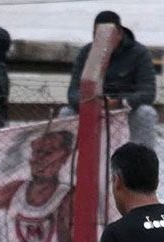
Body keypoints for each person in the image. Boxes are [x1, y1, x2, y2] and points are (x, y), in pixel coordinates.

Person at [63, 11, 157, 148]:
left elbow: (148, 92)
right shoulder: (85, 53)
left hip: (126, 110)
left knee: (145, 113)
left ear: (119, 34)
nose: (103, 39)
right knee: (66, 113)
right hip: (91, 107)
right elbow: (73, 92)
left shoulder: (139, 53)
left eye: (108, 34)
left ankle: (141, 155)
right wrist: (89, 102)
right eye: (98, 34)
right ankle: (72, 156)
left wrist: (119, 102)